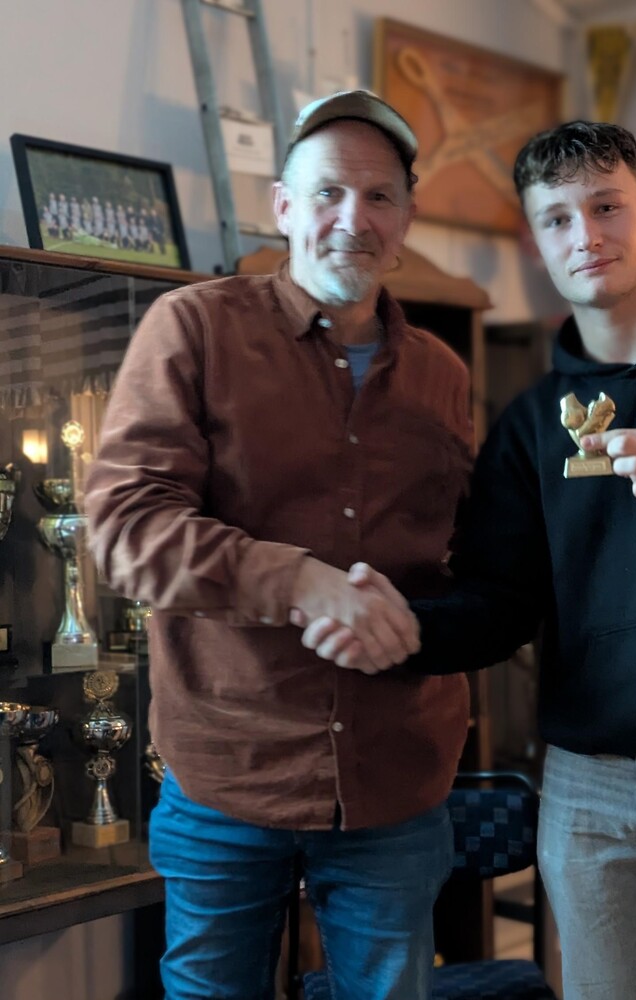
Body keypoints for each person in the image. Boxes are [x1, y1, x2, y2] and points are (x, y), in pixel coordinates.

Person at [301, 121, 636, 1000]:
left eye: (607, 208)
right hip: (587, 790)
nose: (586, 236)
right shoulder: (533, 421)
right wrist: (402, 627)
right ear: (536, 244)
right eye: (558, 219)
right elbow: (501, 604)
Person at [83, 90, 475, 1000]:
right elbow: (125, 526)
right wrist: (299, 582)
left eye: (380, 197)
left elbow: (464, 557)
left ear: (406, 220)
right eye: (329, 192)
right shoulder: (193, 327)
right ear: (284, 207)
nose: (354, 218)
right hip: (229, 774)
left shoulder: (443, 375)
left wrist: (419, 622)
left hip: (396, 783)